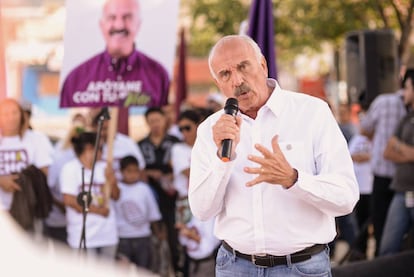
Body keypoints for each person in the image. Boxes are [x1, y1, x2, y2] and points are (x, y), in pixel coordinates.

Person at [188, 35, 359, 276]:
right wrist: (221, 160)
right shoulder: (210, 129)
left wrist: (293, 179)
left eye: (243, 66)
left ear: (263, 65)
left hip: (301, 268)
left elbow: (346, 197)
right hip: (234, 267)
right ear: (218, 83)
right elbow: (202, 211)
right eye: (225, 74)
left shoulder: (312, 112)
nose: (237, 80)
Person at [59, 0, 170, 134]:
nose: (119, 25)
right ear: (101, 25)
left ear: (138, 24)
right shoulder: (76, 77)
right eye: (112, 17)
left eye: (127, 17)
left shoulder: (159, 75)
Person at [360, 68, 407, 255]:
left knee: (381, 227)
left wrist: (378, 138)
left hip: (383, 175)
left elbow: (364, 129)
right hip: (404, 177)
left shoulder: (383, 102)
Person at [60, 131, 119, 259]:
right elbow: (70, 200)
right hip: (83, 235)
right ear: (89, 149)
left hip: (107, 234)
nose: (102, 152)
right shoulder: (70, 169)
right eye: (100, 148)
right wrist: (99, 211)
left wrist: (112, 182)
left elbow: (116, 196)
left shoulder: (105, 167)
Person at [138, 107, 180, 275]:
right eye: (151, 121)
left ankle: (176, 268)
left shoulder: (175, 142)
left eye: (158, 120)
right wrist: (149, 173)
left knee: (174, 237)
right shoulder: (141, 145)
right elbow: (136, 170)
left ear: (164, 120)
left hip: (172, 198)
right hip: (149, 197)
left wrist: (170, 175)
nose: (155, 124)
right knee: (153, 239)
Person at [379, 69, 414, 256]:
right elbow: (388, 151)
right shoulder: (406, 118)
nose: (404, 94)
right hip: (400, 192)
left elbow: (395, 147)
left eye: (407, 88)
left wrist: (400, 147)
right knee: (387, 249)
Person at [114, 155, 162, 270]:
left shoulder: (144, 189)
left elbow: (153, 214)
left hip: (143, 237)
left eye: (135, 171)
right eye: (128, 171)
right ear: (121, 171)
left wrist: (157, 233)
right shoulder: (116, 189)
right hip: (122, 237)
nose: (132, 174)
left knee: (144, 270)